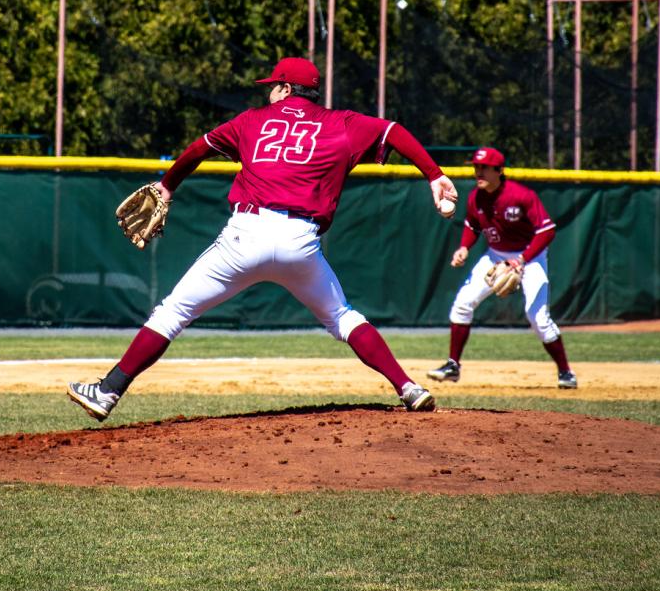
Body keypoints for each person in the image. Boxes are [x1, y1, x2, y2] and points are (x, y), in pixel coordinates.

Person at [68, 56, 458, 421]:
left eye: (274, 85)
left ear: (286, 89)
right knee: (342, 317)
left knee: (173, 313)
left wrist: (168, 186)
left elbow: (199, 148)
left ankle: (108, 391)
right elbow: (393, 130)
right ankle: (408, 387)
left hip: (246, 235)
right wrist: (433, 174)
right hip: (300, 242)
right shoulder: (342, 123)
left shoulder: (253, 120)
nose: (269, 91)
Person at [426, 146, 577, 389]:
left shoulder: (521, 195)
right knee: (463, 304)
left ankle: (566, 372)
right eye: (476, 167)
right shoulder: (476, 198)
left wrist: (522, 260)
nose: (479, 173)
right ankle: (453, 365)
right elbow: (472, 226)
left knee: (537, 317)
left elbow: (547, 231)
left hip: (531, 257)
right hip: (495, 256)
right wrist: (464, 247)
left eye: (484, 168)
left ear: (499, 170)